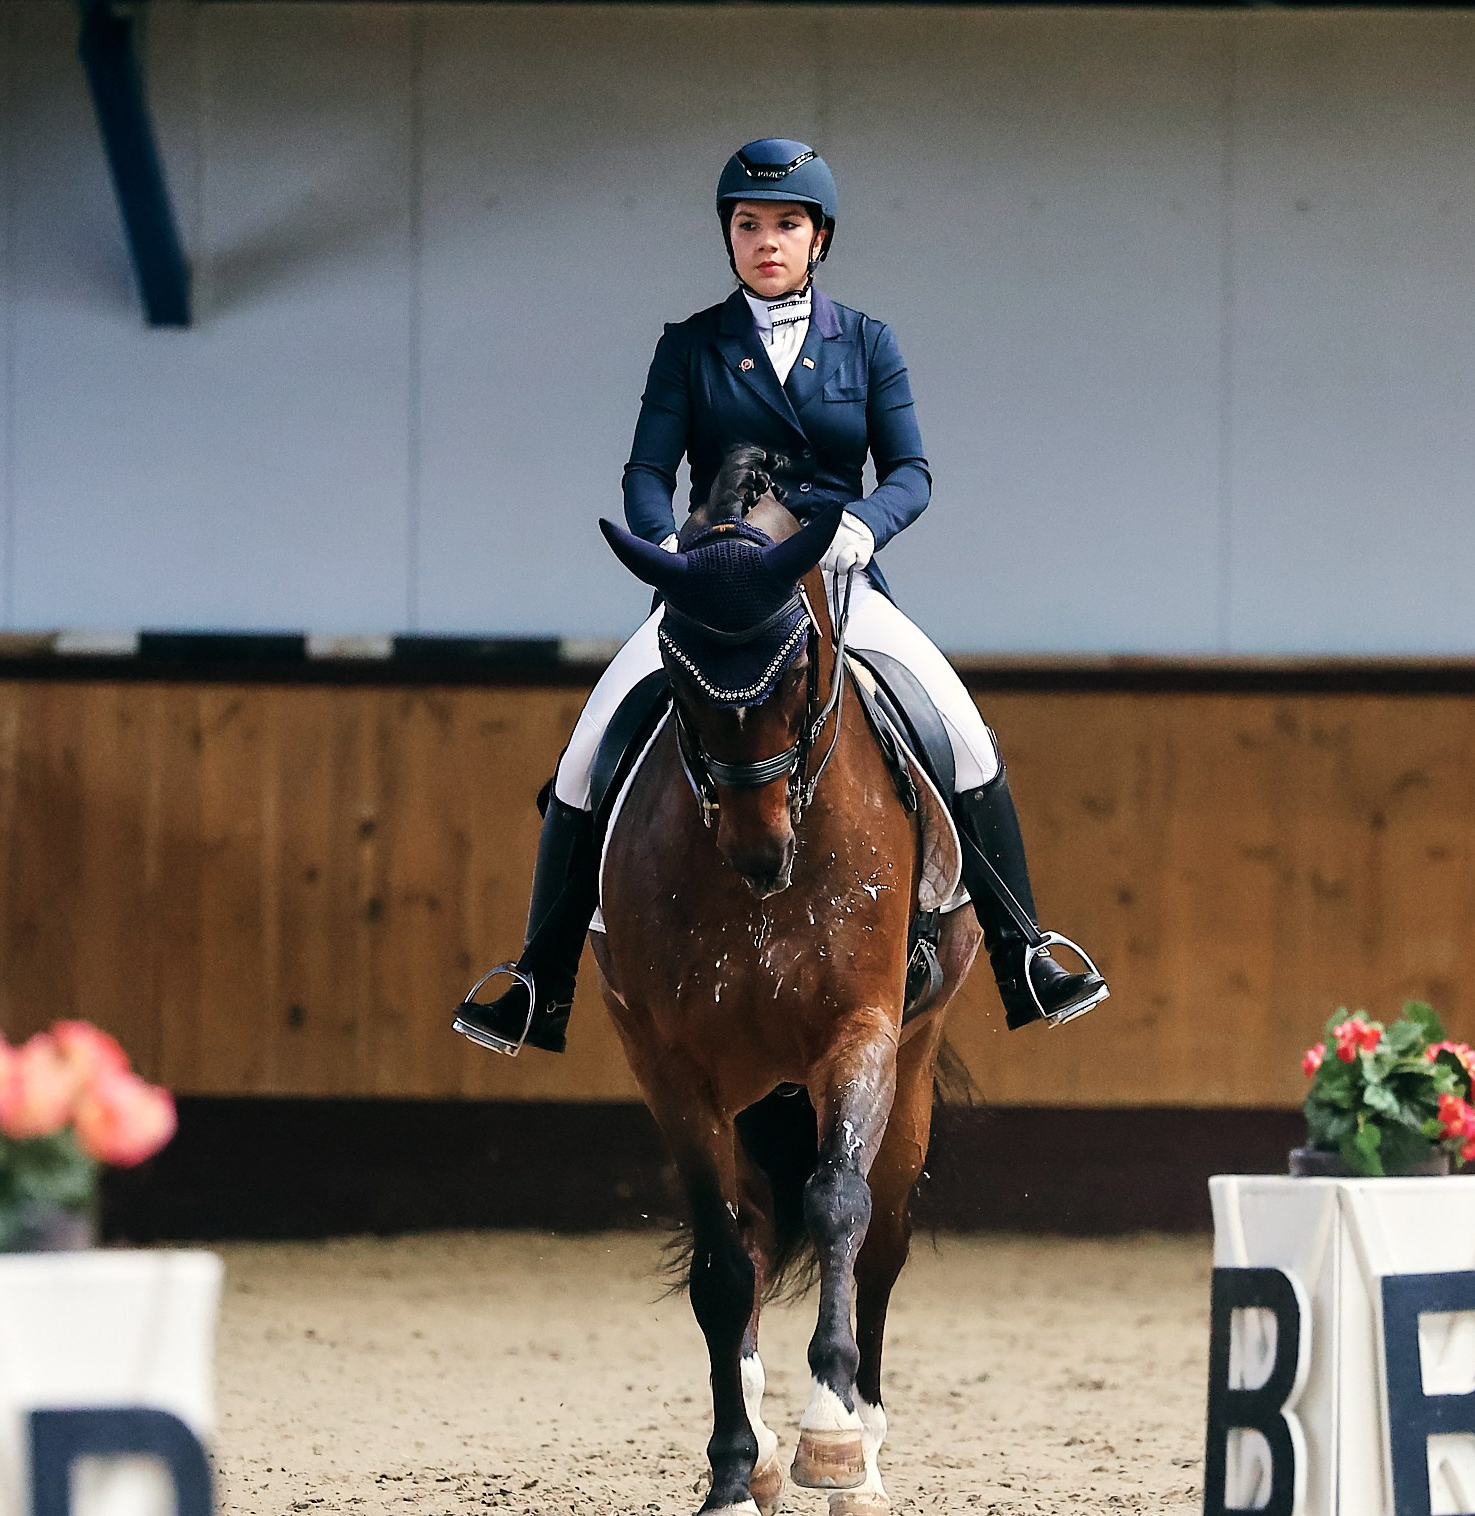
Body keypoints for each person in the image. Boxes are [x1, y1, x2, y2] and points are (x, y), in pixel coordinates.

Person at [454, 138, 1107, 1056]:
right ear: (728, 236)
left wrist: (866, 525)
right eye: (749, 225)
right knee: (584, 753)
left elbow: (912, 470)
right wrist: (677, 544)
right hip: (713, 592)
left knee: (961, 733)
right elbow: (647, 471)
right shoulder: (690, 345)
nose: (768, 241)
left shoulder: (868, 342)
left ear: (819, 238)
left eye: (787, 226)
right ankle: (537, 979)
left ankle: (1025, 952)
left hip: (836, 581)